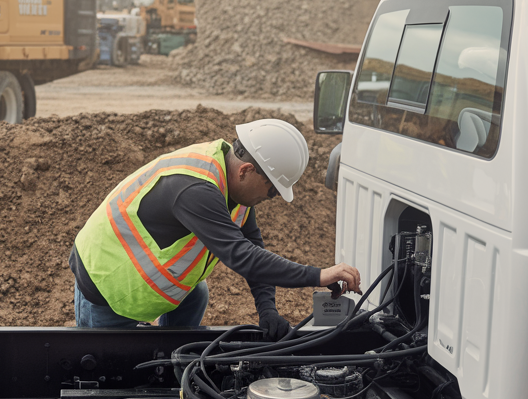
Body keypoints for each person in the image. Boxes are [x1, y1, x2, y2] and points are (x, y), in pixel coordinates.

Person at [70, 118, 362, 339]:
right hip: (108, 282)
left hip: (149, 281)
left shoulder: (233, 186)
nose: (269, 199)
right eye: (272, 191)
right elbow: (241, 255)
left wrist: (267, 309)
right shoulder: (196, 189)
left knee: (196, 295)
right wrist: (319, 275)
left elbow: (252, 244)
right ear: (246, 171)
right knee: (107, 386)